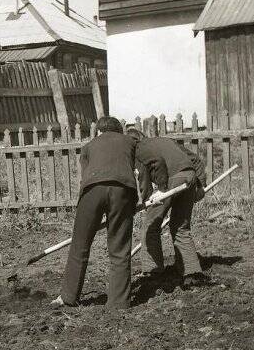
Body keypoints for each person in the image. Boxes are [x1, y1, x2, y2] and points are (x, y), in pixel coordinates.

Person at [51, 116, 141, 309]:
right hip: (123, 190)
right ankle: (119, 303)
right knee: (119, 248)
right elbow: (140, 169)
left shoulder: (89, 146)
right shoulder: (130, 142)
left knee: (80, 245)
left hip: (92, 190)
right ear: (119, 131)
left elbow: (85, 177)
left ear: (99, 131)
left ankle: (68, 297)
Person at [126, 127, 208, 288]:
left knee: (151, 225)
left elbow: (146, 174)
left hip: (172, 181)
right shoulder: (166, 141)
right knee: (181, 227)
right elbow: (196, 160)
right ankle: (191, 272)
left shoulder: (137, 149)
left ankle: (153, 272)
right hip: (189, 177)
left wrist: (151, 197)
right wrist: (200, 185)